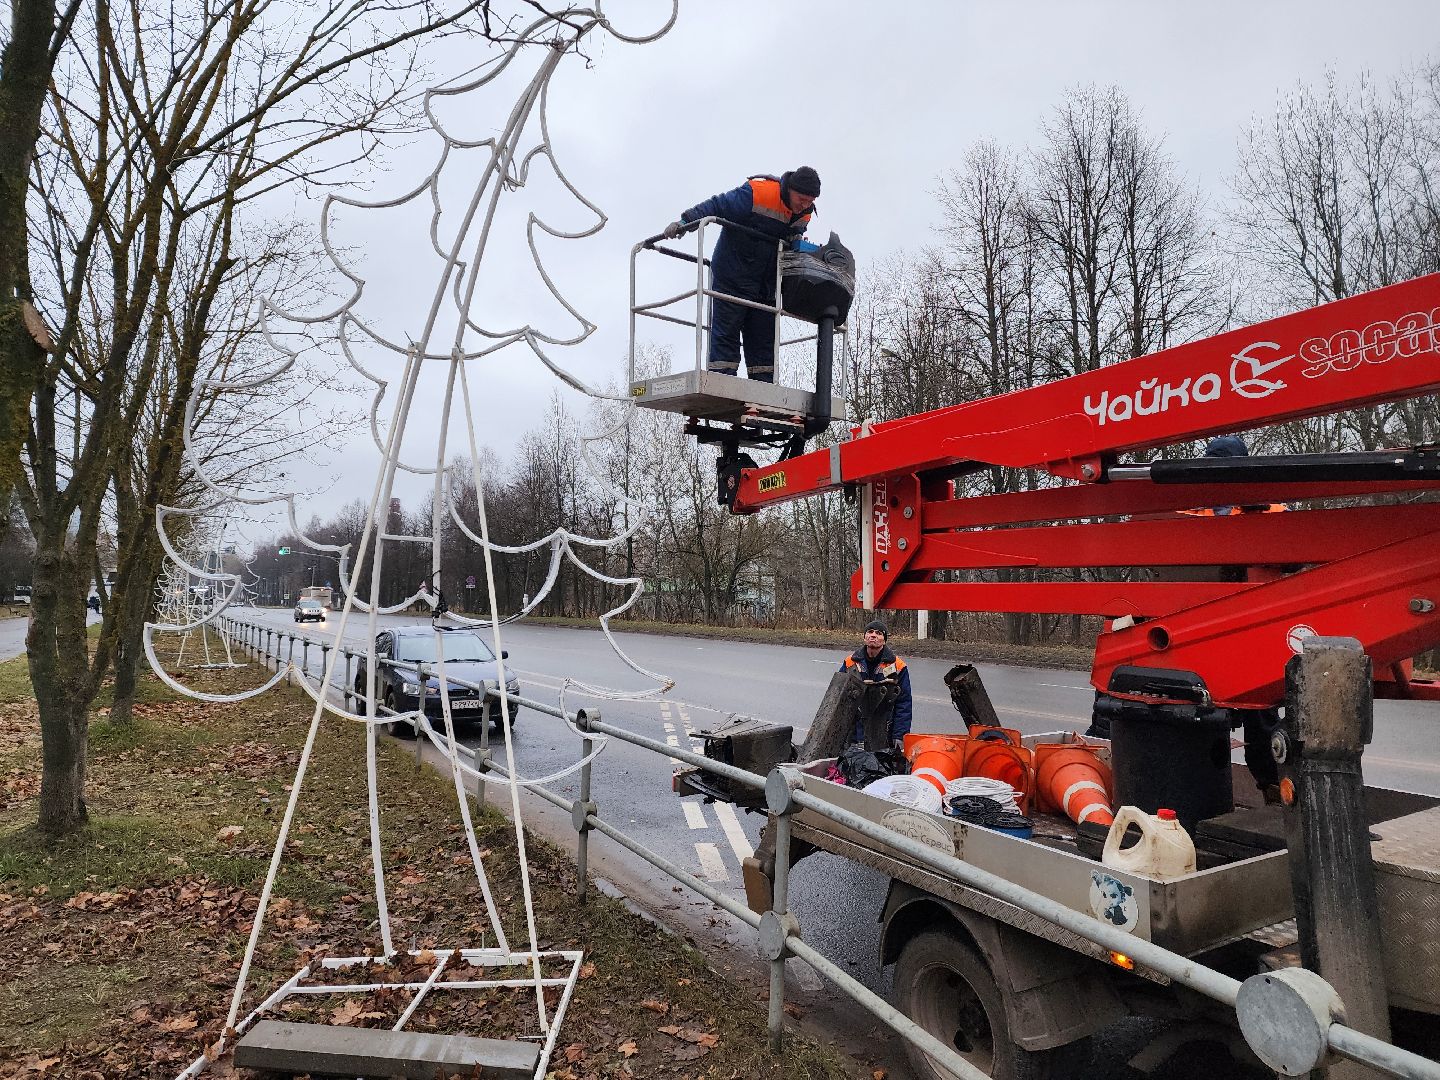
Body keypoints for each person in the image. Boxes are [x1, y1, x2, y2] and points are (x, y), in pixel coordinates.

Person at [663, 166, 821, 383]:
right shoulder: (758, 193)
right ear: (790, 189)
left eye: (810, 201)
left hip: (765, 285)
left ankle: (764, 395)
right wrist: (685, 222)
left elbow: (794, 240)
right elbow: (718, 205)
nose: (804, 205)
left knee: (763, 341)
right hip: (732, 276)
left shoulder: (805, 213)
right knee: (726, 335)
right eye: (801, 198)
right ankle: (721, 386)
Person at [839, 619, 913, 747]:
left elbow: (904, 703)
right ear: (865, 637)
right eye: (870, 632)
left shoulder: (898, 666)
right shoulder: (850, 663)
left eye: (878, 633)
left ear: (884, 640)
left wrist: (899, 736)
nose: (873, 635)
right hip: (855, 732)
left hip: (884, 732)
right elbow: (840, 698)